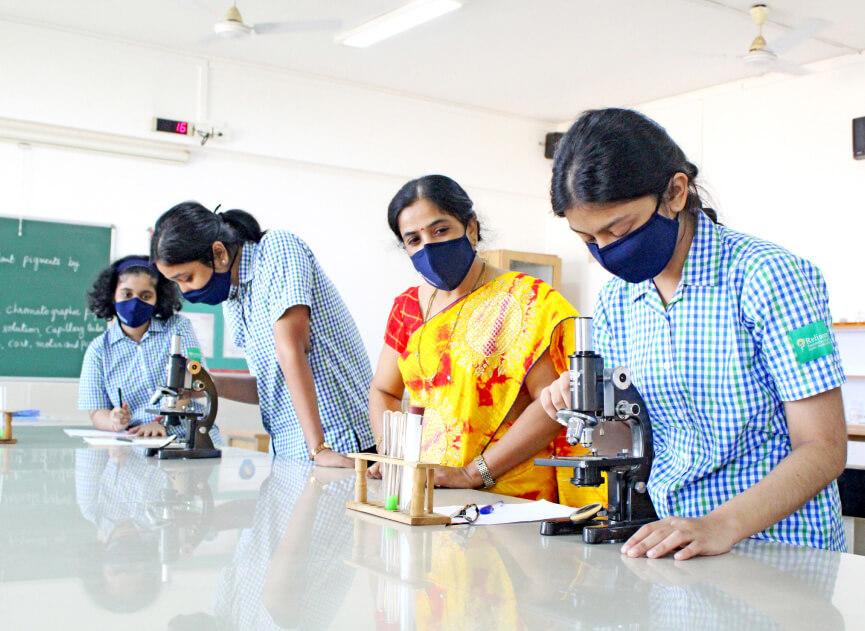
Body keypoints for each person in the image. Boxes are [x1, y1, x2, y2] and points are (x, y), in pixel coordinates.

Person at [541, 108, 847, 559]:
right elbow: (635, 435)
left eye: (617, 229)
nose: (605, 252)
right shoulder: (617, 302)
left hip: (782, 552)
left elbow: (822, 447)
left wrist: (720, 525)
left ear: (676, 193)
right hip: (677, 547)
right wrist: (579, 401)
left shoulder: (767, 277)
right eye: (588, 239)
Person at [368, 174, 605, 505]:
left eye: (440, 230)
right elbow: (384, 390)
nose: (429, 247)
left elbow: (555, 403)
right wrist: (392, 455)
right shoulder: (407, 309)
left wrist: (472, 474)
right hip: (428, 493)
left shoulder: (526, 302)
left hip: (512, 499)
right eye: (414, 240)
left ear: (471, 228)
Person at [150, 202, 374, 464]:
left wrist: (319, 449)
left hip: (338, 442)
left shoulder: (277, 249)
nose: (185, 291)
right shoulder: (233, 300)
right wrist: (203, 386)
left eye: (186, 277)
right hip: (290, 448)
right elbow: (268, 386)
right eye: (176, 283)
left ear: (219, 253)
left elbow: (291, 350)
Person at [78, 255, 214, 440]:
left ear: (158, 298)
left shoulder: (178, 327)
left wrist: (161, 420)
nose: (135, 303)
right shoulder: (98, 351)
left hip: (191, 436)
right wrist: (113, 420)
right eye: (126, 294)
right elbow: (96, 413)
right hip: (137, 443)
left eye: (145, 296)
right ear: (112, 295)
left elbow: (198, 382)